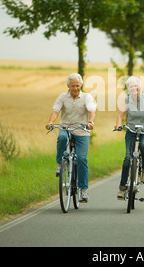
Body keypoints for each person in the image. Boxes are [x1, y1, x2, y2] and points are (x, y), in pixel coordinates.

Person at [46, 73, 96, 203]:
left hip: (82, 130)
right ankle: (59, 164)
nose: (75, 88)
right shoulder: (62, 97)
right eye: (73, 86)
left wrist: (90, 122)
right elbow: (56, 111)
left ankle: (83, 191)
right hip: (66, 128)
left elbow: (91, 111)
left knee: (82, 159)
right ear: (68, 86)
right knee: (61, 138)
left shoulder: (87, 97)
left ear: (81, 85)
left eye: (78, 85)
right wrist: (51, 122)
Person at [114, 76, 144, 200]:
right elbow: (120, 115)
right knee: (127, 158)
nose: (133, 88)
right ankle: (122, 188)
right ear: (128, 89)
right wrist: (118, 125)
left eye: (135, 86)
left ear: (139, 87)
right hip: (131, 130)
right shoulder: (126, 100)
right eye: (130, 86)